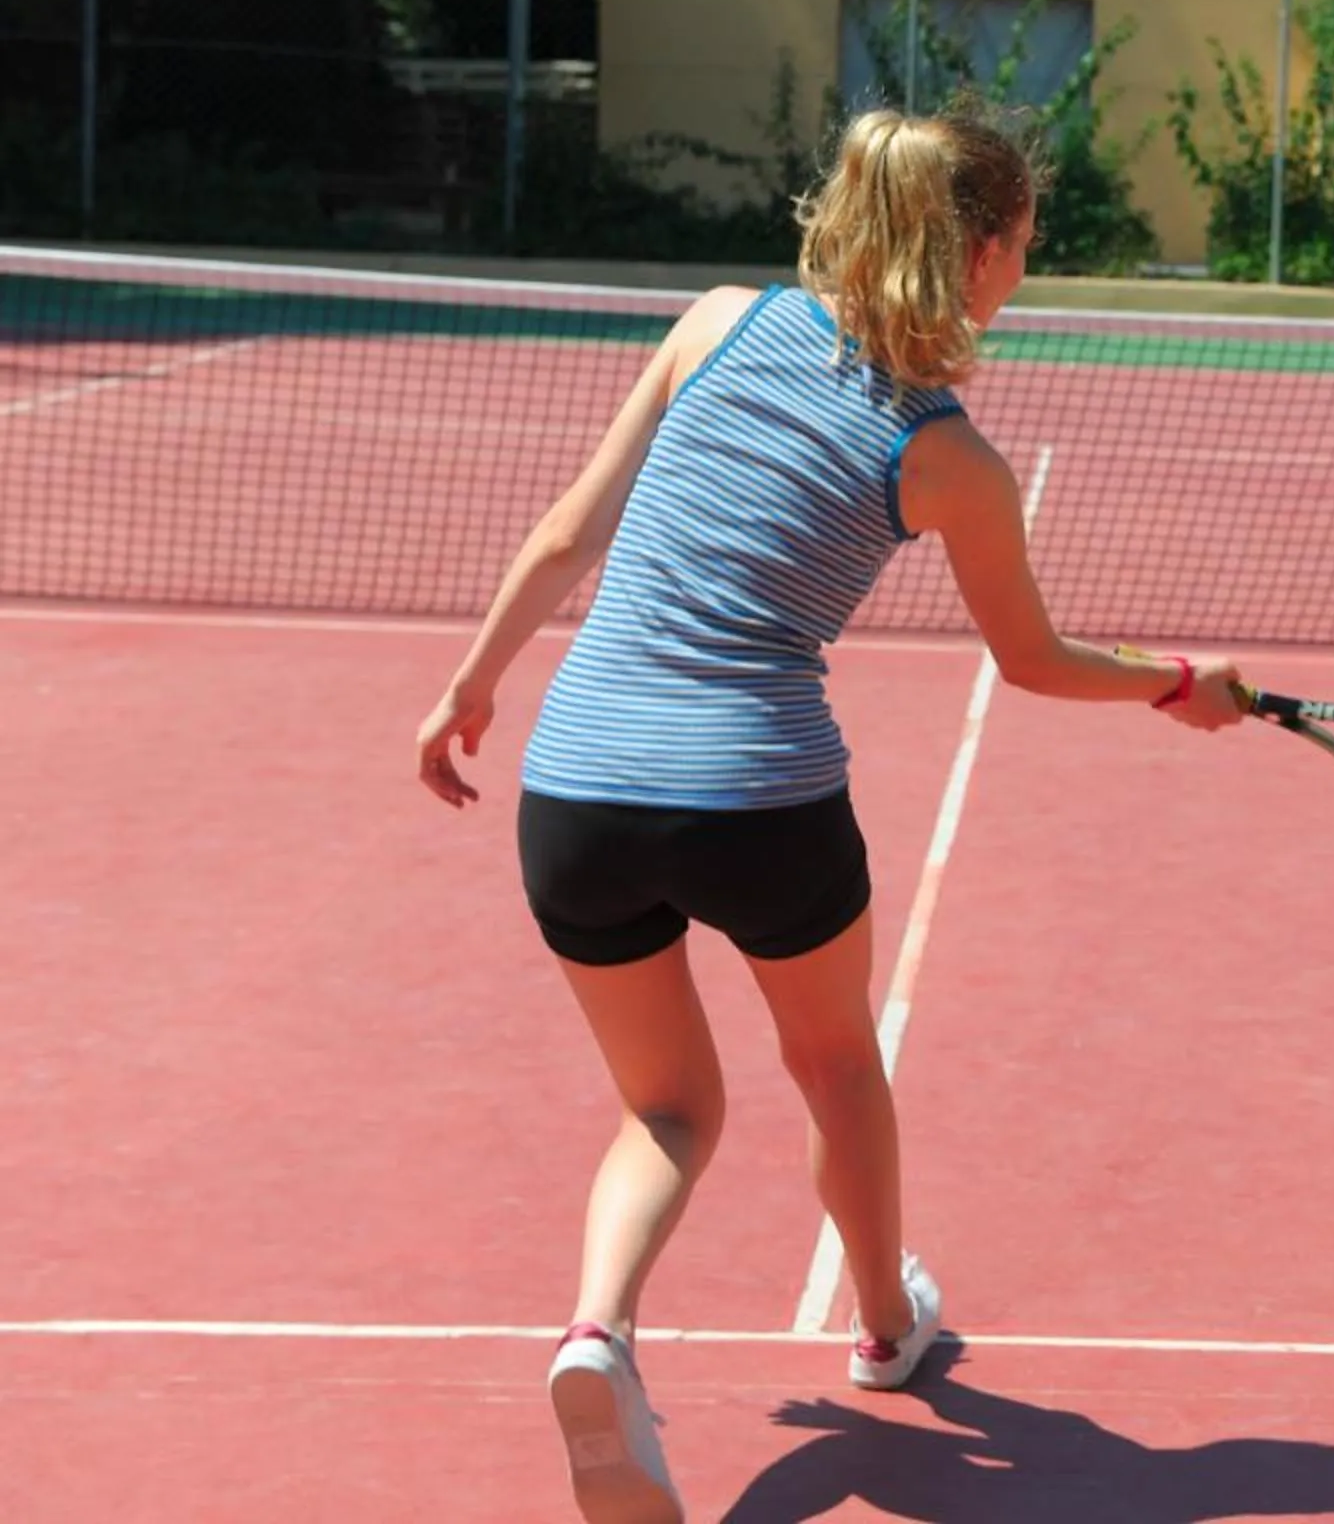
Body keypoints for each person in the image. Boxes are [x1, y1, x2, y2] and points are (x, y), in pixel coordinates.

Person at [414, 103, 1244, 1524]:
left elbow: (569, 530)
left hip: (577, 788)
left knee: (666, 1106)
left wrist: (468, 685)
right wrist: (1176, 682)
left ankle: (597, 1332)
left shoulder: (715, 321)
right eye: (1024, 242)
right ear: (978, 254)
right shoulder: (947, 455)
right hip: (760, 799)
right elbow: (1032, 661)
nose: (1024, 267)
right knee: (837, 1063)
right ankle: (883, 1325)